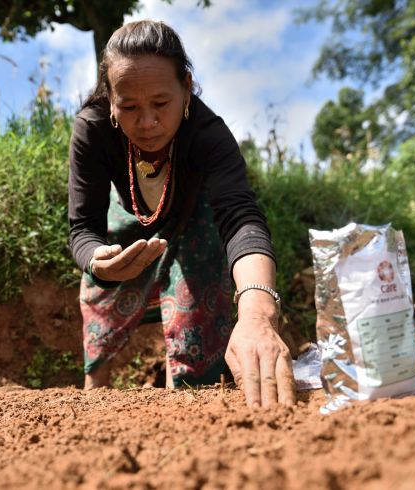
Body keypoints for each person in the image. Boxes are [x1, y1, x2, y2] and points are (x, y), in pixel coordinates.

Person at [68, 19, 296, 408]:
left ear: (186, 89)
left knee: (201, 282)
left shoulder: (209, 135)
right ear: (110, 100)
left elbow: (241, 219)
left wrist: (258, 311)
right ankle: (94, 395)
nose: (146, 122)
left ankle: (191, 398)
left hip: (196, 220)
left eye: (161, 103)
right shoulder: (92, 130)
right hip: (130, 219)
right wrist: (97, 261)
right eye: (128, 107)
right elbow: (84, 229)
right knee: (101, 286)